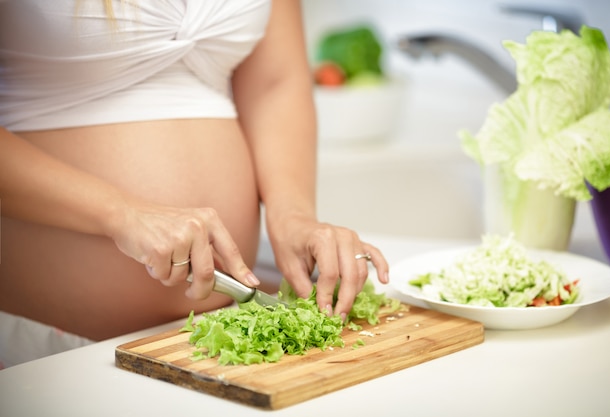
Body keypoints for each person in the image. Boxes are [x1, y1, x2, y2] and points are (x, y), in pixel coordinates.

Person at [0, 0, 389, 367]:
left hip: (216, 342)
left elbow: (275, 82)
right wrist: (118, 211)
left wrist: (293, 215)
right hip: (56, 355)